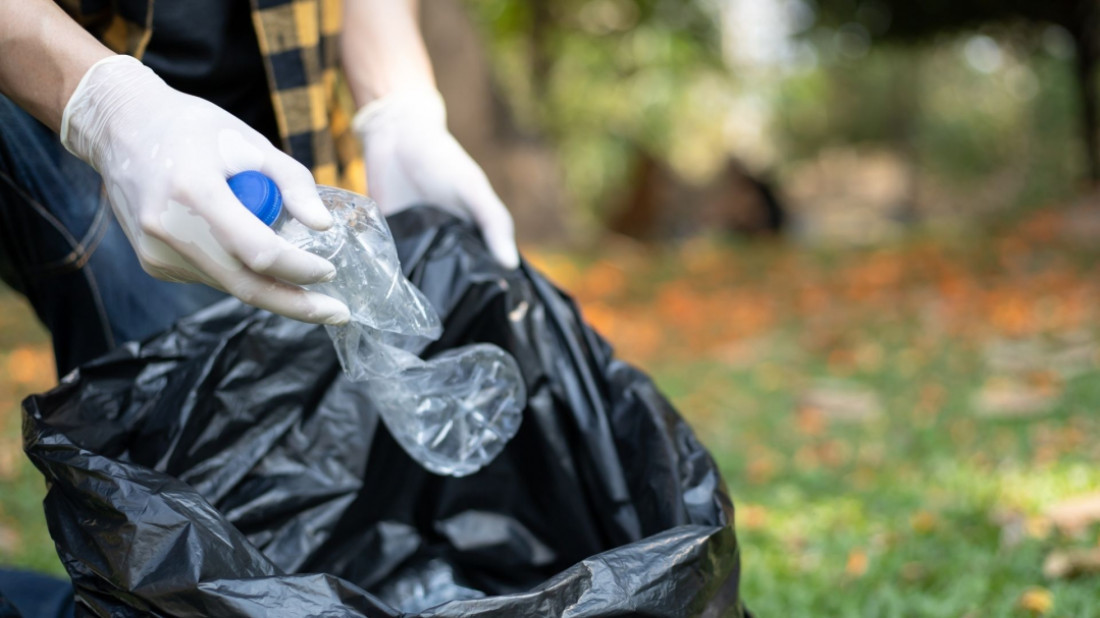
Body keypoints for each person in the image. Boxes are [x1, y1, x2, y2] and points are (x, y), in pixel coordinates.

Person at [0, 1, 517, 615]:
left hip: (276, 156)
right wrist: (106, 107)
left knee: (220, 541)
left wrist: (395, 105)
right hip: (60, 104)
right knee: (181, 500)